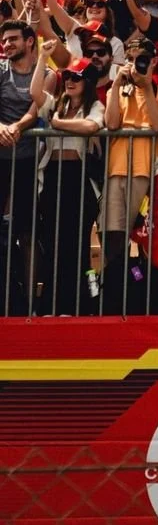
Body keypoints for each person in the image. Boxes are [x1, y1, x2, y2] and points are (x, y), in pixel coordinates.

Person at [101, 38, 158, 315]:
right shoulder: (118, 89)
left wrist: (145, 87)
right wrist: (116, 86)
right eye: (131, 58)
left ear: (154, 61)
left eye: (142, 58)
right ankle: (116, 295)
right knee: (113, 235)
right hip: (118, 168)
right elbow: (110, 123)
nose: (137, 64)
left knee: (147, 239)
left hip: (150, 171)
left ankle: (148, 298)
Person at [30, 44, 104, 316]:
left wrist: (59, 124)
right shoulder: (57, 104)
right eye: (68, 77)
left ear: (87, 82)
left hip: (78, 179)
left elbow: (91, 126)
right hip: (53, 176)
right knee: (51, 241)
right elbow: (36, 93)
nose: (70, 81)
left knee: (76, 244)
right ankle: (49, 305)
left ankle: (73, 306)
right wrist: (41, 57)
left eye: (76, 77)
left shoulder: (94, 105)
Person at [0, 20, 52, 312]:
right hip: (1, 158)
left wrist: (16, 127)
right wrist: (1, 129)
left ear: (30, 41)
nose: (6, 44)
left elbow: (35, 110)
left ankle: (31, 305)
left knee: (28, 232)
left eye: (12, 39)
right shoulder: (0, 71)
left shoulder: (47, 73)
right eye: (4, 40)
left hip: (30, 161)